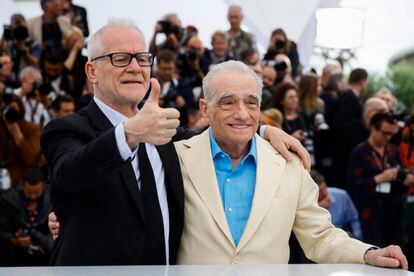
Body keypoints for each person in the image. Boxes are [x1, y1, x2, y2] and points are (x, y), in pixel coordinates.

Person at [43, 19, 310, 266]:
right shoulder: (66, 129)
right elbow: (69, 172)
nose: (135, 67)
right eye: (120, 58)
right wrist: (129, 133)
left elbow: (221, 133)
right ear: (92, 71)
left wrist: (263, 131)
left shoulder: (168, 133)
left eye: (142, 58)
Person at [173, 61, 407, 268]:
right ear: (205, 109)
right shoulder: (176, 158)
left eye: (251, 103)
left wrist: (367, 253)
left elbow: (320, 235)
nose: (242, 114)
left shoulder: (288, 163)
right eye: (228, 102)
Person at [347, 112, 414, 248]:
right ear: (373, 128)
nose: (388, 137)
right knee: (375, 255)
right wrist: (378, 178)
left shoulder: (393, 150)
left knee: (398, 255)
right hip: (371, 215)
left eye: (391, 134)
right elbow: (353, 185)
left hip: (394, 213)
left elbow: (399, 183)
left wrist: (406, 182)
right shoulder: (360, 152)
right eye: (385, 133)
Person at [0, 167, 52, 266]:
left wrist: (47, 242)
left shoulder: (52, 200)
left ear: (43, 186)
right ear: (22, 185)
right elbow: (2, 229)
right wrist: (14, 240)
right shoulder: (8, 200)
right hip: (16, 252)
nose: (33, 197)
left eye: (37, 193)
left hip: (46, 252)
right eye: (29, 193)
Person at [310, 170, 362, 240]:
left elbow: (354, 219)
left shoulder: (341, 195)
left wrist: (357, 238)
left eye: (324, 188)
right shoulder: (307, 203)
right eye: (320, 191)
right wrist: (317, 208)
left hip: (341, 237)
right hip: (317, 239)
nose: (325, 193)